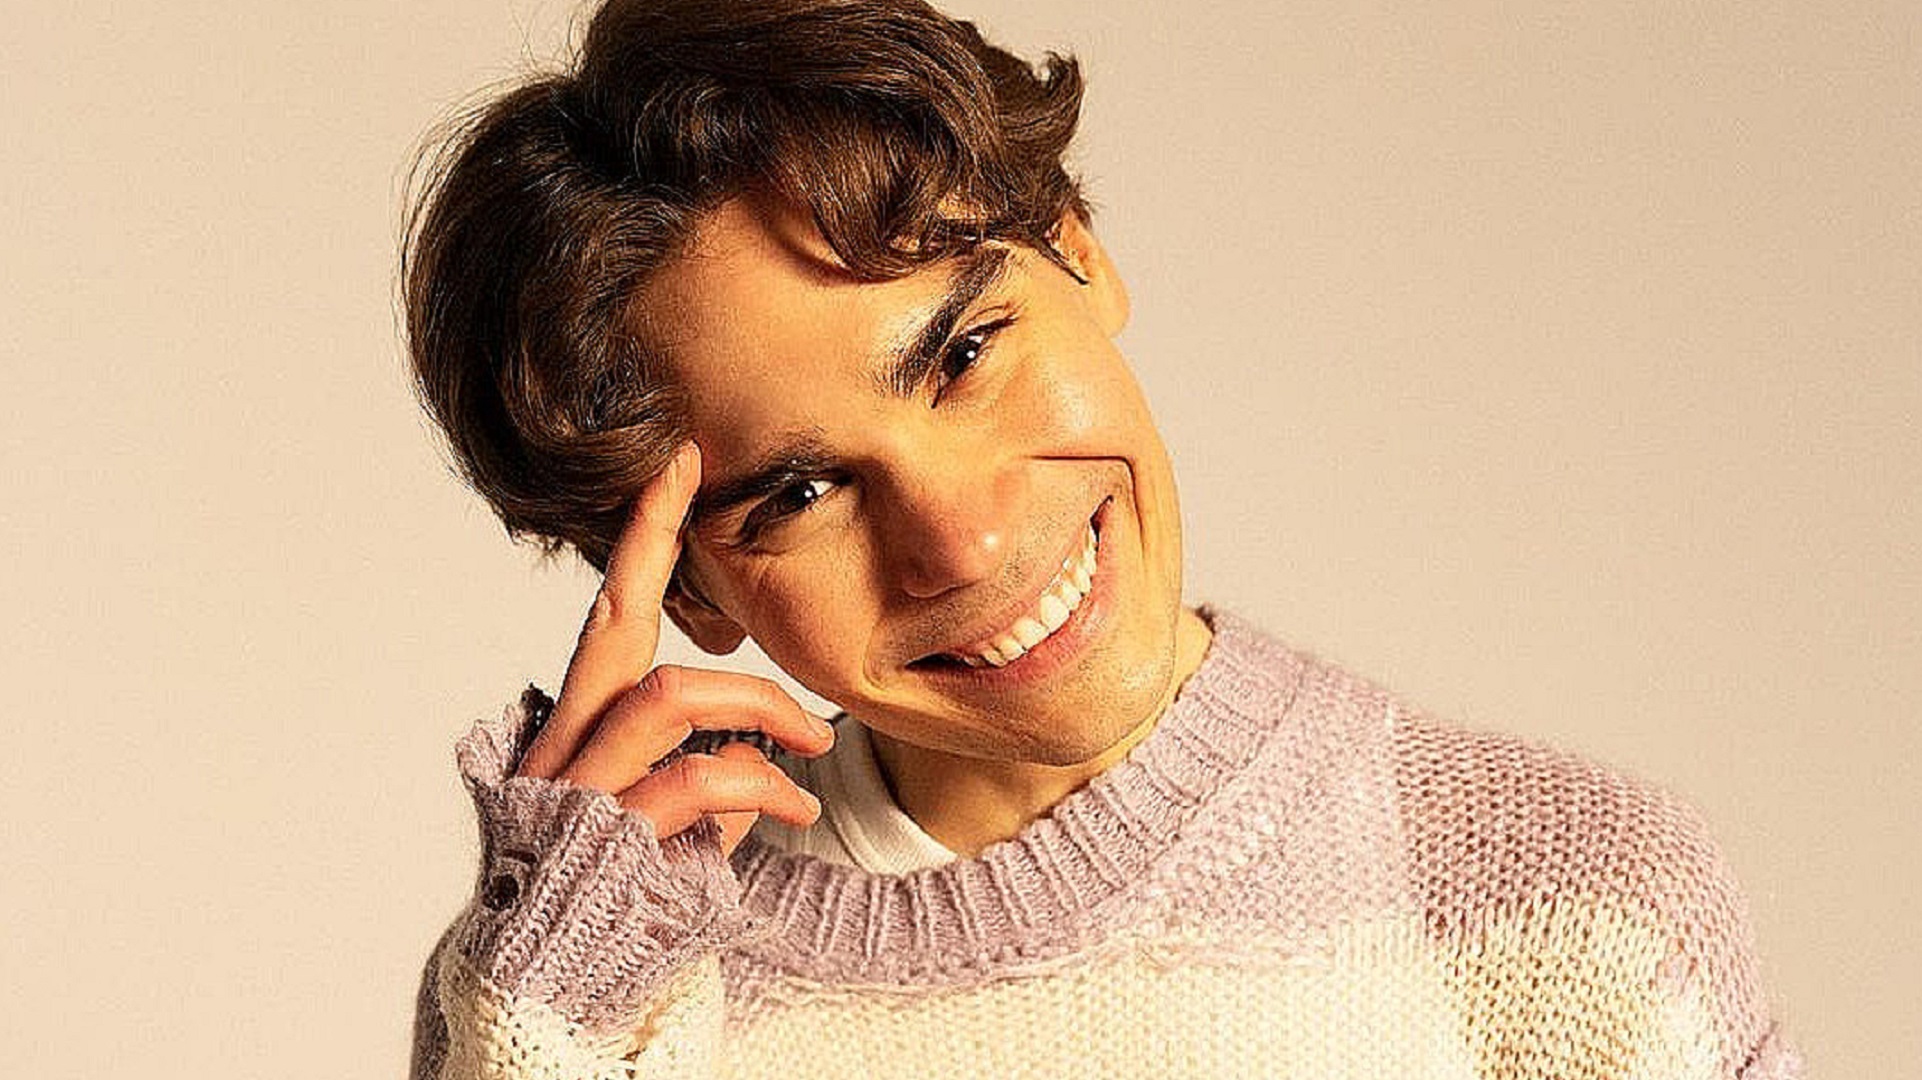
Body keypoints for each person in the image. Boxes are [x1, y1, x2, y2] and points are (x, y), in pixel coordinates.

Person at [403, 1, 1799, 1076]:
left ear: (1079, 251)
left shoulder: (1562, 903)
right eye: (800, 493)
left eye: (962, 354)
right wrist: (552, 1002)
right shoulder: (591, 991)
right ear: (687, 588)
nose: (961, 540)